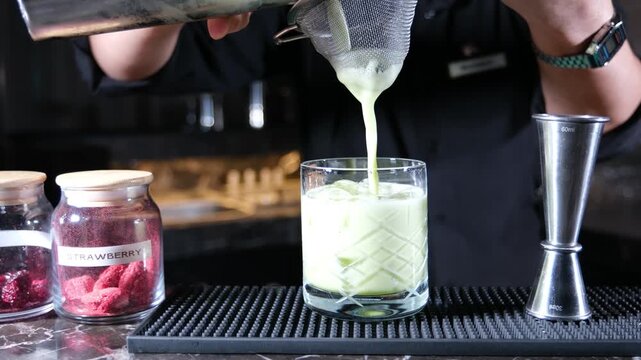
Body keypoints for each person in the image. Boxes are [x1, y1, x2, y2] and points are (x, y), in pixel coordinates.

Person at [74, 0, 641, 286]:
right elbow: (128, 64)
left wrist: (576, 17)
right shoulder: (318, 7)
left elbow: (606, 126)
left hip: (500, 294)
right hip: (345, 296)